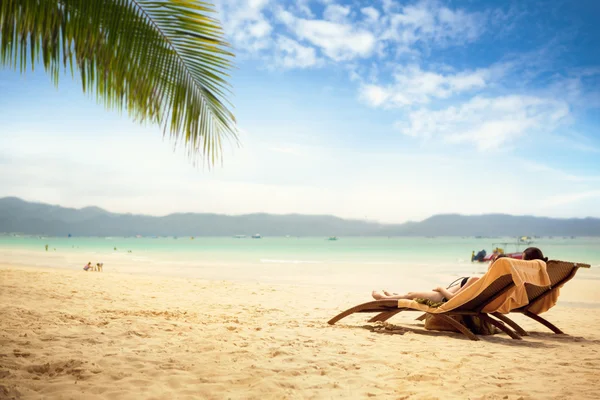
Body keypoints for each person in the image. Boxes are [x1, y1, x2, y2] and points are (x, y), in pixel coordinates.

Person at [372, 254, 510, 302]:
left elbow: (453, 298)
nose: (489, 262)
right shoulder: (491, 282)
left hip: (443, 299)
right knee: (412, 294)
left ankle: (383, 298)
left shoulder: (477, 280)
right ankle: (394, 296)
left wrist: (441, 288)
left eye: (492, 261)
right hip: (443, 296)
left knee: (411, 294)